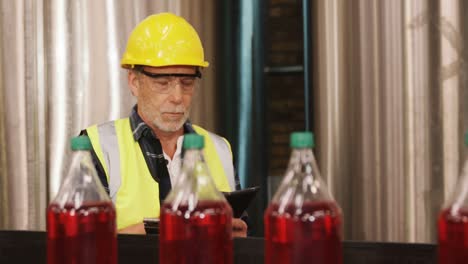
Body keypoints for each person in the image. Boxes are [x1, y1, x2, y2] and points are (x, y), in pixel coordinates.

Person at [81, 13, 247, 237]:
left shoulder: (220, 149)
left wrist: (239, 234)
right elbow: (84, 245)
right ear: (134, 82)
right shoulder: (98, 147)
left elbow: (242, 238)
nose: (178, 97)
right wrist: (173, 227)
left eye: (187, 83)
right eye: (163, 83)